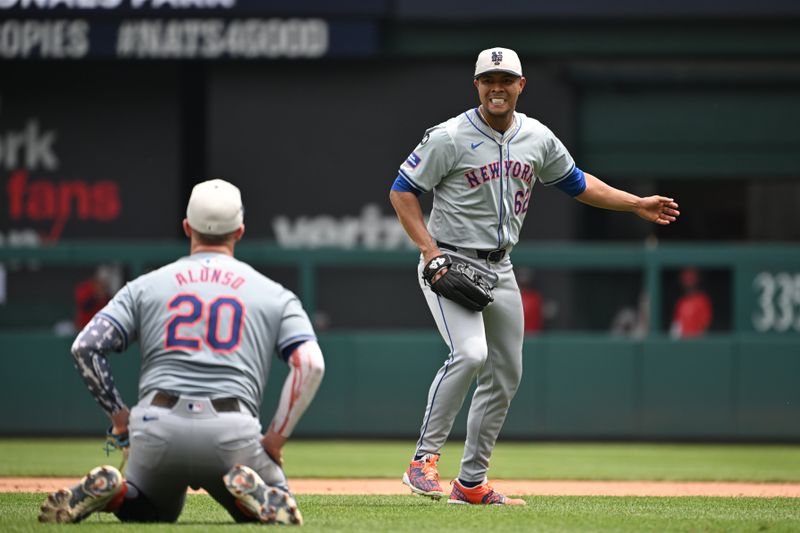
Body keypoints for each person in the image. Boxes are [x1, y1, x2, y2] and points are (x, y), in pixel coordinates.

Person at [389, 47, 679, 506]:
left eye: (506, 79)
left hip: (500, 265)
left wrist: (636, 203)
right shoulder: (449, 136)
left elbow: (579, 183)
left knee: (506, 373)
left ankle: (470, 485)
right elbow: (402, 191)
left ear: (521, 85)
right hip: (451, 261)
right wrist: (429, 251)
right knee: (469, 353)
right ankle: (423, 460)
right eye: (489, 80)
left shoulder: (537, 137)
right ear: (477, 85)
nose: (497, 87)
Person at [39, 179, 325, 524]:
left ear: (187, 227)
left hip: (156, 427)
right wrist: (275, 439)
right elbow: (310, 364)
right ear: (240, 231)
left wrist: (120, 418)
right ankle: (250, 486)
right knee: (279, 505)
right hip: (231, 431)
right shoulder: (274, 293)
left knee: (151, 510)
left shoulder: (145, 285)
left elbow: (85, 347)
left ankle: (115, 493)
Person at [670, 267, 712, 338]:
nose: (688, 285)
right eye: (686, 281)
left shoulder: (702, 300)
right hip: (682, 342)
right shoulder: (681, 302)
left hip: (696, 342)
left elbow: (705, 325)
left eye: (690, 280)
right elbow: (676, 325)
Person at [74, 265, 115, 330]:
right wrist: (96, 296)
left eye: (105, 283)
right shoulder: (86, 288)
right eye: (100, 282)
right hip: (84, 328)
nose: (102, 285)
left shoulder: (107, 294)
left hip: (101, 329)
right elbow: (84, 306)